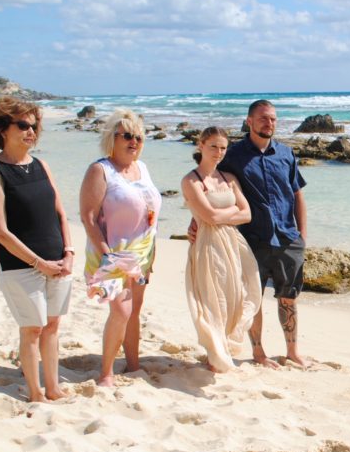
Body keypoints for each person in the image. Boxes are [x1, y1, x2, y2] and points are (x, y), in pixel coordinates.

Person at [191, 99, 309, 368]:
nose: (269, 123)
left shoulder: (286, 154)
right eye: (264, 118)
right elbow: (211, 185)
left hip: (288, 238)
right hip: (250, 239)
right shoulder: (233, 155)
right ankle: (259, 353)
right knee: (253, 299)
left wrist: (302, 235)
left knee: (288, 297)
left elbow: (298, 194)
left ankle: (292, 351)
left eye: (273, 119)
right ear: (249, 122)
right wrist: (196, 219)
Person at [0, 97, 73, 402]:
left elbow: (60, 213)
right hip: (19, 266)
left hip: (58, 261)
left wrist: (69, 252)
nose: (31, 131)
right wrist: (39, 263)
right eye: (23, 125)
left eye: (34, 126)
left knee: (53, 325)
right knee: (32, 328)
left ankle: (54, 388)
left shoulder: (41, 165)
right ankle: (35, 393)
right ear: (3, 129)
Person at [79, 109, 162, 387]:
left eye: (138, 137)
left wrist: (152, 252)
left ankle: (134, 365)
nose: (134, 142)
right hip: (112, 254)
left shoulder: (144, 168)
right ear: (111, 138)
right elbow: (88, 217)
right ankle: (106, 373)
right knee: (121, 311)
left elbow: (151, 211)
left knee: (134, 311)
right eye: (127, 136)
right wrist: (107, 254)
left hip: (142, 252)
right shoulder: (100, 170)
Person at [181, 127, 262, 372]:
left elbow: (247, 214)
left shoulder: (229, 178)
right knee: (214, 299)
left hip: (234, 243)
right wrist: (228, 214)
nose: (218, 152)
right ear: (201, 145)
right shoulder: (191, 180)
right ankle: (215, 356)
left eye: (223, 147)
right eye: (213, 146)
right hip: (208, 244)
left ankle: (223, 349)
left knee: (238, 295)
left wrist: (220, 216)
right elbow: (209, 216)